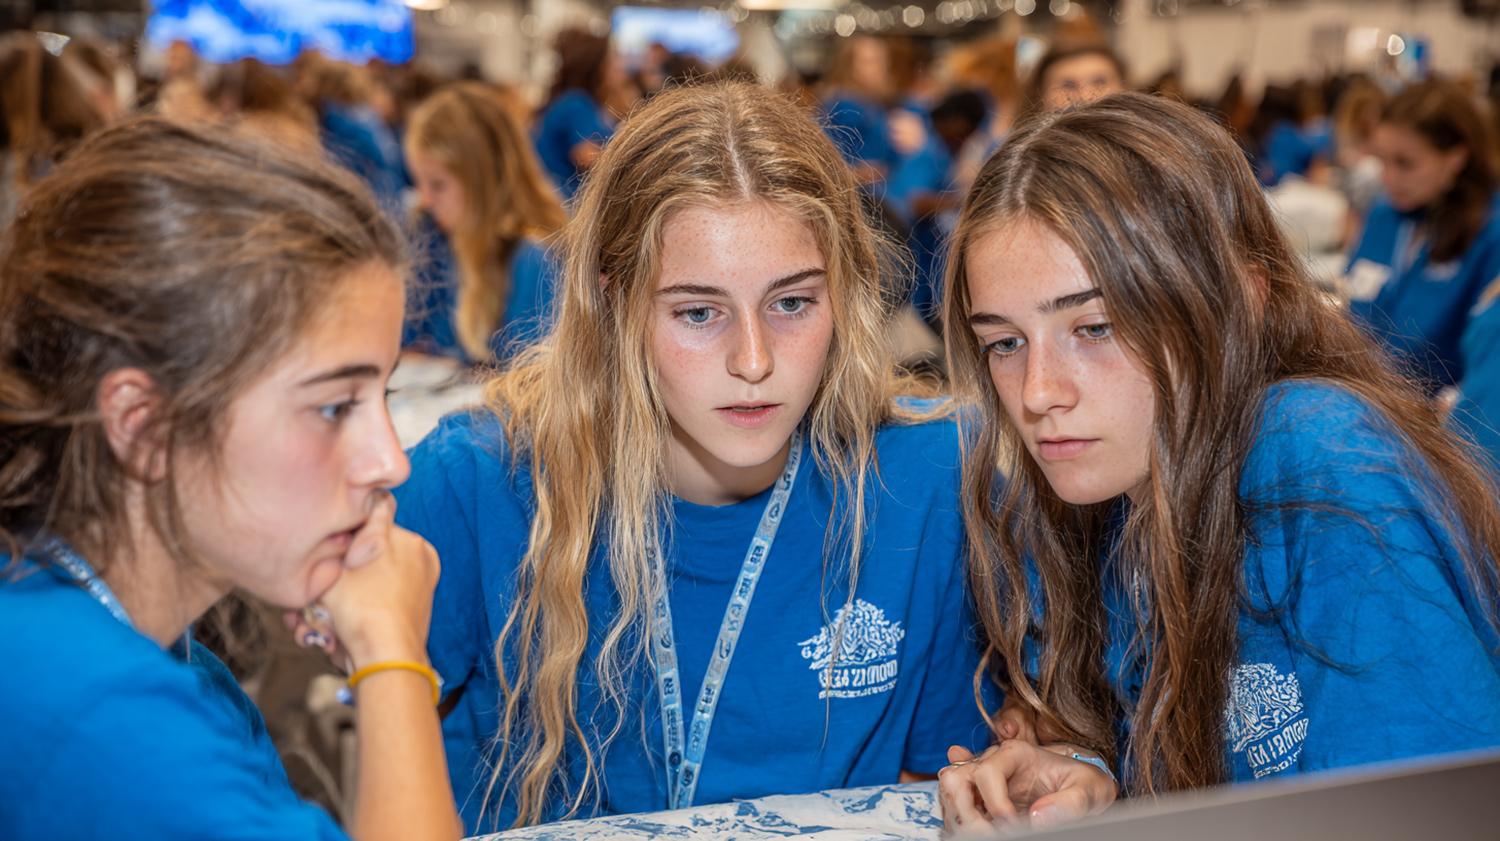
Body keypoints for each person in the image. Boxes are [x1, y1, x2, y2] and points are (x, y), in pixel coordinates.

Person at [393, 81, 992, 834]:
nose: (754, 360)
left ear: (843, 293)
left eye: (793, 303)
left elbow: (943, 775)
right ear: (615, 305)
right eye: (699, 312)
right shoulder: (478, 481)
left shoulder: (926, 477)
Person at [937, 92, 1500, 832]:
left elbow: (1430, 815)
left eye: (1096, 327)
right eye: (1005, 343)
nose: (1037, 392)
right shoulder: (1106, 487)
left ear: (1241, 300)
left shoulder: (1316, 452)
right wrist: (1098, 777)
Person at [0, 117, 460, 841]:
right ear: (145, 427)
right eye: (334, 406)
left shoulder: (167, 664)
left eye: (383, 395)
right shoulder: (102, 711)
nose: (390, 462)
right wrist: (390, 650)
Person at [1346, 80, 1500, 395]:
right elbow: (1352, 306)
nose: (1389, 178)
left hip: (1434, 417)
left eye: (1406, 163)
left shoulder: (1489, 234)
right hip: (1359, 395)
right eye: (1382, 160)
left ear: (1457, 158)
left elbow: (1485, 369)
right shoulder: (1384, 214)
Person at [403, 82, 567, 363]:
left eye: (438, 185)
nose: (425, 200)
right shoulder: (437, 236)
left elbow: (529, 377)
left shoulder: (533, 257)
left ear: (485, 183)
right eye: (419, 183)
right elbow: (410, 334)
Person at [533, 28, 621, 201]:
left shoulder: (573, 100)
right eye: (610, 60)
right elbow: (586, 157)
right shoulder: (576, 103)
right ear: (596, 67)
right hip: (565, 202)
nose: (616, 65)